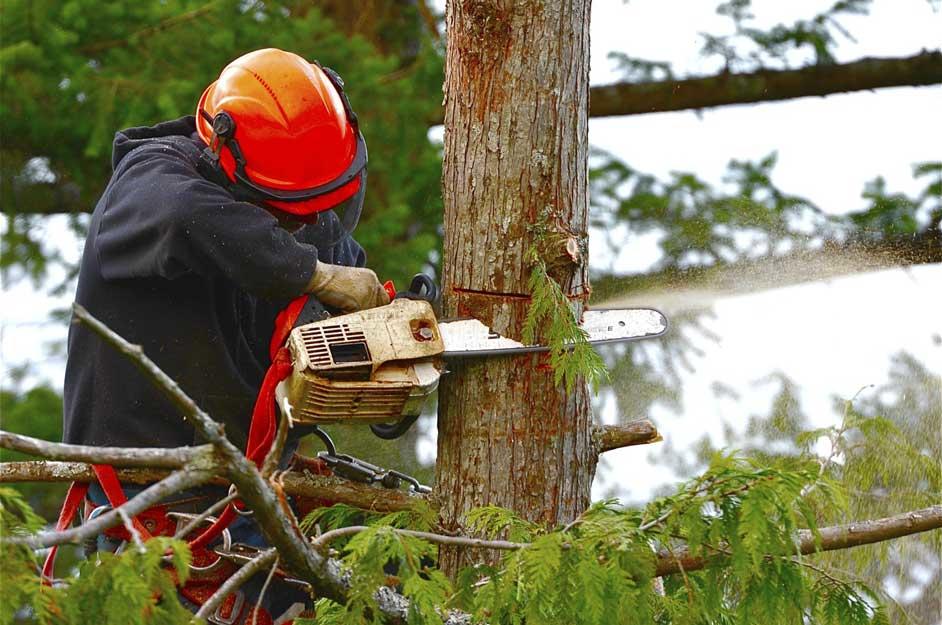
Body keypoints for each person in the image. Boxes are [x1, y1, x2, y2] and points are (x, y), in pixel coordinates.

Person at [60, 48, 389, 623]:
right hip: (151, 503)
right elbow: (188, 214)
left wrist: (395, 358)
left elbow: (346, 334)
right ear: (229, 158)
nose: (301, 226)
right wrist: (316, 274)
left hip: (253, 502)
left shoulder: (312, 215)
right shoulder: (153, 183)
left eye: (313, 210)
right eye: (288, 212)